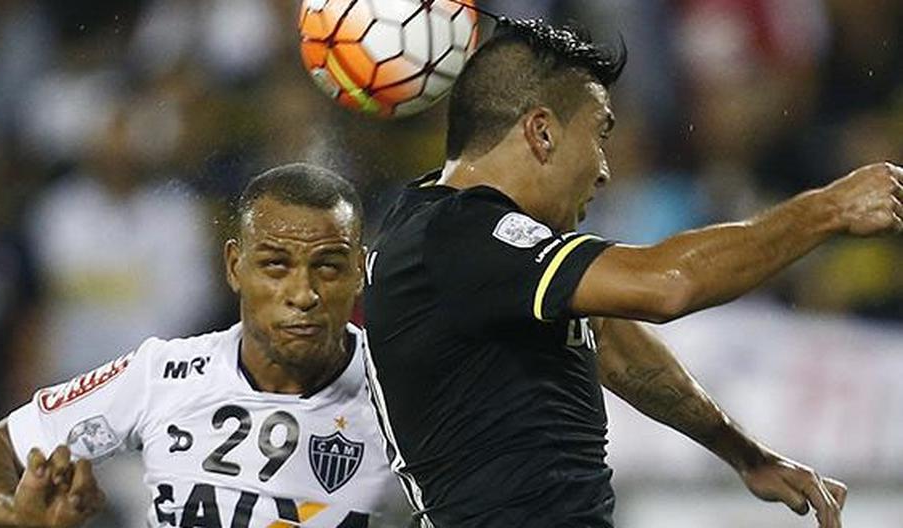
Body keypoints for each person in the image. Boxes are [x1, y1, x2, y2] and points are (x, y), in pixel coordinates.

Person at [362, 18, 901, 528]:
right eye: (599, 134)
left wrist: (743, 453)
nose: (604, 168)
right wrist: (829, 209)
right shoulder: (454, 236)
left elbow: (614, 342)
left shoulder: (484, 251)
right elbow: (667, 284)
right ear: (542, 132)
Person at [0, 164, 410, 528]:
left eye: (327, 266)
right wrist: (18, 514)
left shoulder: (409, 388)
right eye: (275, 265)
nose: (303, 294)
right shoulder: (162, 373)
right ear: (234, 267)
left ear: (359, 273)